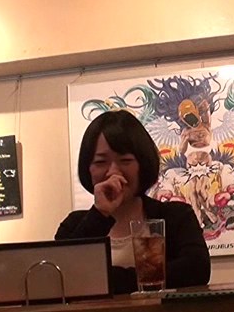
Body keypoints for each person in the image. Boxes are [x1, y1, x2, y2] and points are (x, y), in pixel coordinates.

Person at [55, 110, 210, 293]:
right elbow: (63, 276)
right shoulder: (73, 225)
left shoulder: (176, 216)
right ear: (87, 168)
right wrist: (100, 214)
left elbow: (197, 270)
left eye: (125, 160)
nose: (113, 171)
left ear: (142, 165)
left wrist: (110, 280)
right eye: (101, 162)